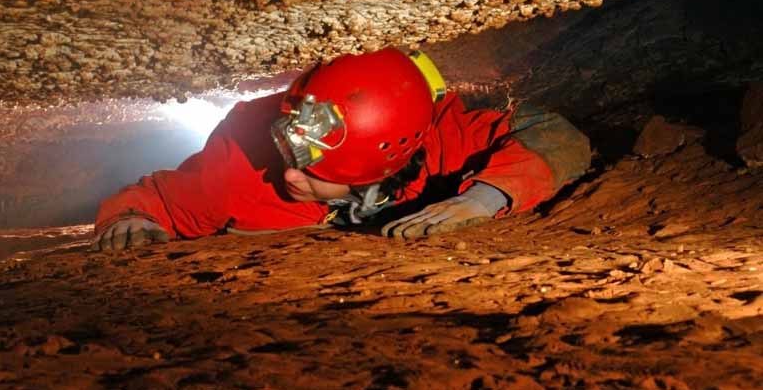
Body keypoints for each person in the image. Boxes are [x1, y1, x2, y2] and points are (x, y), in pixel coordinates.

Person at [91, 48, 590, 251]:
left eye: (312, 171)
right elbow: (157, 197)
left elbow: (554, 136)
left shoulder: (435, 134)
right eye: (288, 151)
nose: (290, 177)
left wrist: (484, 197)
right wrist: (129, 219)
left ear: (377, 170)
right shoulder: (239, 171)